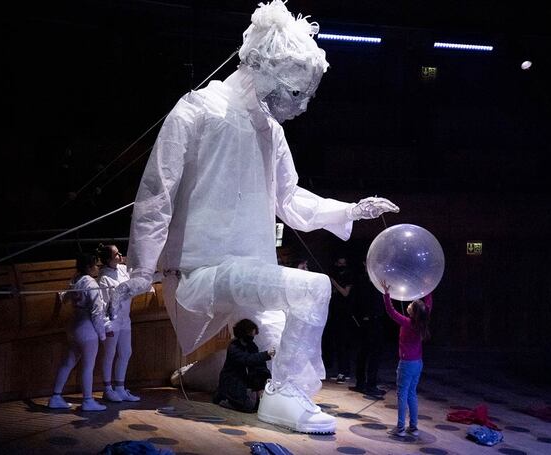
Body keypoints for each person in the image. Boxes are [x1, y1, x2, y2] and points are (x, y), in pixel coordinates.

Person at [116, 0, 398, 434]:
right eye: (295, 92)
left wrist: (351, 210)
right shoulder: (198, 109)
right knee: (314, 288)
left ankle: (203, 377)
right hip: (200, 273)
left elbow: (290, 198)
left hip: (250, 272)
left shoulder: (271, 131)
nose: (300, 105)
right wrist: (141, 268)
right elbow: (158, 190)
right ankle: (281, 402)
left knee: (283, 354)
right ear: (265, 66)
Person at [48, 253, 112, 411]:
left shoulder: (75, 280)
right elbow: (97, 312)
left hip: (73, 326)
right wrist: (103, 334)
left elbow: (64, 299)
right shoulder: (91, 283)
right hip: (86, 329)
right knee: (88, 366)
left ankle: (55, 397)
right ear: (88, 267)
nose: (97, 267)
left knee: (67, 362)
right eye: (95, 265)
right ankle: (88, 401)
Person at [381, 280, 433, 438]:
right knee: (412, 394)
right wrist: (428, 290)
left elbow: (390, 311)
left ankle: (401, 428)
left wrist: (386, 294)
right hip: (418, 363)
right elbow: (429, 304)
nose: (409, 304)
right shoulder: (422, 320)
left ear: (413, 312)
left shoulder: (407, 322)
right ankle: (414, 427)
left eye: (411, 305)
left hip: (406, 364)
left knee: (402, 394)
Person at [96, 244, 140, 403]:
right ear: (108, 259)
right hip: (112, 319)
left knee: (126, 352)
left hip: (125, 319)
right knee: (110, 354)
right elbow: (103, 303)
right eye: (116, 254)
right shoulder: (104, 277)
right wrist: (105, 324)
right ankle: (107, 389)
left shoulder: (122, 269)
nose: (120, 255)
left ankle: (120, 388)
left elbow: (136, 280)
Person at [213, 319, 275, 413]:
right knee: (247, 407)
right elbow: (247, 359)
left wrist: (262, 385)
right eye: (250, 334)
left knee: (255, 406)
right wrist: (265, 354)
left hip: (245, 381)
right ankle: (224, 399)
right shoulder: (234, 347)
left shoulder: (252, 346)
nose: (252, 337)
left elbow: (259, 365)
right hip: (233, 381)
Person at [349, 260, 386, 397]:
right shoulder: (361, 281)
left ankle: (370, 383)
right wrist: (360, 319)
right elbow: (355, 301)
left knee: (374, 354)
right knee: (364, 353)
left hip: (376, 320)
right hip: (366, 322)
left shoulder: (378, 281)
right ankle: (364, 383)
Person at [324, 255, 354, 383]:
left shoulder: (348, 276)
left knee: (343, 345)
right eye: (339, 263)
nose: (341, 266)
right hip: (335, 314)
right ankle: (340, 370)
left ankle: (345, 371)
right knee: (336, 344)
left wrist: (334, 282)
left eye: (343, 263)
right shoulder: (336, 273)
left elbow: (345, 293)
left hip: (345, 316)